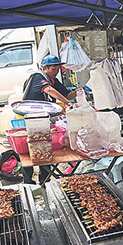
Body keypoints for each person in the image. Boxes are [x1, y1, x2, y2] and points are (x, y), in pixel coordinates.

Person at [21, 54, 79, 184]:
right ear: (45, 68)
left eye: (58, 69)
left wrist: (78, 92)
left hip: (43, 119)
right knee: (30, 150)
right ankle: (28, 182)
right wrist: (67, 103)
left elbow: (67, 95)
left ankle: (44, 180)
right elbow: (48, 90)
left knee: (44, 148)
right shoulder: (38, 76)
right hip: (31, 118)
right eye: (54, 69)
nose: (56, 72)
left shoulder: (52, 80)